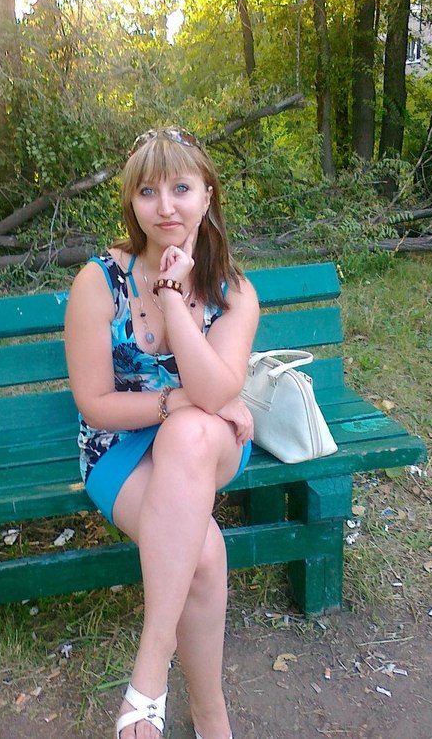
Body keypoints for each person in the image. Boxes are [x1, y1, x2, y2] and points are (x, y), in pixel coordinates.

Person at [64, 127, 260, 739]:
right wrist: (182, 400)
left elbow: (214, 397)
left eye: (181, 188)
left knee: (191, 434)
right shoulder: (100, 281)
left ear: (207, 196)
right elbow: (96, 405)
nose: (165, 206)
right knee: (203, 553)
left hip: (208, 444)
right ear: (132, 201)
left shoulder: (233, 292)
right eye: (148, 191)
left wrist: (174, 293)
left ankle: (150, 671)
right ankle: (210, 716)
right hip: (118, 447)